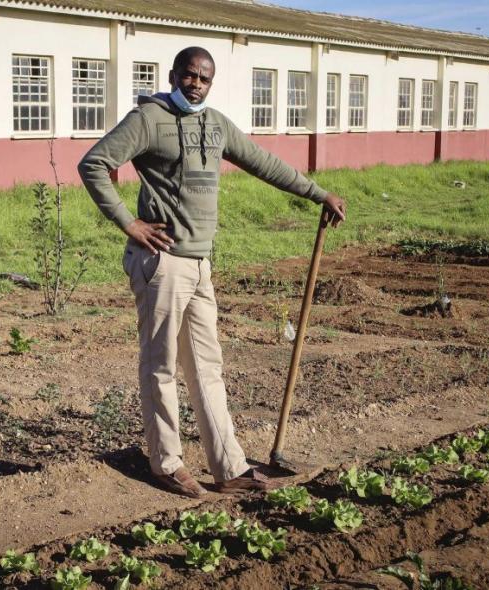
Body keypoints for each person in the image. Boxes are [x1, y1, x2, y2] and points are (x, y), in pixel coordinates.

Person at [78, 46, 346, 498]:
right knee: (161, 366)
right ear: (173, 75)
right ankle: (165, 463)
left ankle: (229, 466)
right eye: (188, 75)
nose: (195, 84)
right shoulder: (149, 119)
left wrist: (317, 193)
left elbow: (263, 162)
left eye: (203, 78)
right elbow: (94, 164)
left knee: (207, 366)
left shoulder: (216, 124)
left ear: (210, 82)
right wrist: (130, 223)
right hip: (162, 263)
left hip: (200, 265)